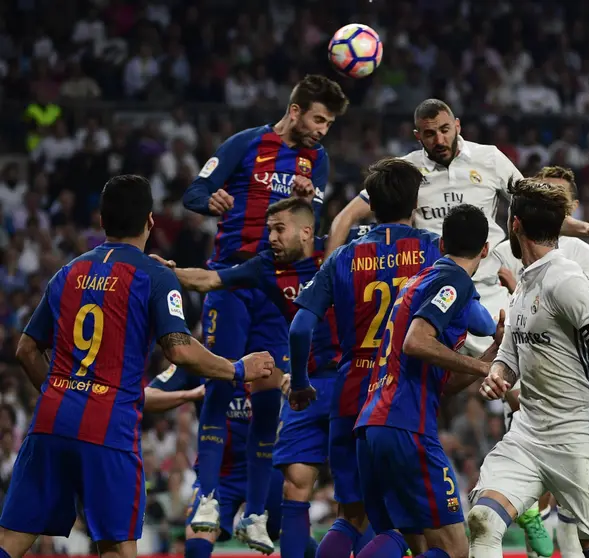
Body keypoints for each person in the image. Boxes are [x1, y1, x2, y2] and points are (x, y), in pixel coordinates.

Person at [326, 100, 589, 553]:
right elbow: (345, 217)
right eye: (429, 133)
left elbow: (534, 203)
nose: (439, 139)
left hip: (490, 291)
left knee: (520, 378)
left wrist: (582, 229)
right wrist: (329, 269)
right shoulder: (404, 172)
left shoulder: (490, 158)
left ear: (457, 126)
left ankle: (531, 497)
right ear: (416, 134)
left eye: (445, 130)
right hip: (442, 291)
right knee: (442, 380)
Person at [0, 174, 273, 558]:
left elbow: (27, 350)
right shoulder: (154, 275)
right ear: (150, 221)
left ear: (101, 220)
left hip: (50, 420)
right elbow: (179, 350)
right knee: (116, 547)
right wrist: (238, 369)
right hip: (108, 429)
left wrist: (61, 393)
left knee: (11, 541)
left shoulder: (69, 271)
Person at [181, 74, 348, 552]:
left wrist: (308, 195)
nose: (323, 130)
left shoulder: (318, 159)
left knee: (268, 393)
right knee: (222, 378)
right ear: (295, 111)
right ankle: (207, 495)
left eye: (330, 123)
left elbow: (308, 219)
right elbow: (194, 192)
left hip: (281, 288)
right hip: (234, 278)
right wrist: (209, 200)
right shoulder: (245, 144)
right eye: (319, 119)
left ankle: (255, 513)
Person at [151, 197, 360, 558]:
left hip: (348, 378)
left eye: (279, 229)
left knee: (352, 495)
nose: (272, 238)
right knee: (301, 495)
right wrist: (171, 271)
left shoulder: (338, 252)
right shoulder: (265, 268)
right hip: (306, 387)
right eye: (269, 230)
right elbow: (211, 279)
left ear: (307, 231)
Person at [472, 177, 589, 558]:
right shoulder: (524, 284)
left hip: (579, 437)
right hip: (528, 435)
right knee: (483, 520)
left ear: (514, 225)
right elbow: (512, 354)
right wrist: (499, 374)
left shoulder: (566, 279)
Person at [289, 159, 445, 558]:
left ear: (371, 204)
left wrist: (302, 383)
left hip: (349, 390)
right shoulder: (431, 249)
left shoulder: (342, 257)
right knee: (399, 525)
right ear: (415, 202)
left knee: (350, 516)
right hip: (399, 394)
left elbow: (300, 329)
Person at [351, 204, 503, 558]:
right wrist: (481, 369)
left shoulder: (419, 281)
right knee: (453, 549)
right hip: (407, 426)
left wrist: (489, 355)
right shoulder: (454, 282)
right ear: (484, 249)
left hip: (374, 425)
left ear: (442, 242)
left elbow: (441, 383)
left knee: (414, 542)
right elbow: (416, 342)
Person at [495, 166, 589, 558]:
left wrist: (518, 286)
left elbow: (568, 314)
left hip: (570, 399)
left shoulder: (583, 258)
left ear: (570, 207)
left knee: (574, 521)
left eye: (554, 197)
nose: (546, 204)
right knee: (532, 508)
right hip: (529, 396)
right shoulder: (508, 247)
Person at [145, 363, 307, 557]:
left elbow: (317, 394)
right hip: (219, 476)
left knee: (300, 539)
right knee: (196, 543)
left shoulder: (274, 351)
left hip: (269, 473)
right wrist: (191, 395)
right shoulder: (198, 358)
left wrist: (298, 388)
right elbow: (147, 397)